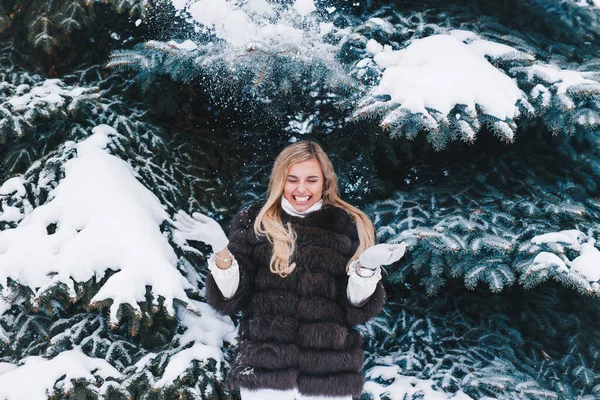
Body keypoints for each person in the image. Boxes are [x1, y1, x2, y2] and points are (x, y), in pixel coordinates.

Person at [174, 140, 406, 400]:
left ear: (325, 182)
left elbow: (355, 306)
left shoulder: (347, 225)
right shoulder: (255, 221)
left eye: (311, 180)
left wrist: (366, 266)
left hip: (327, 379)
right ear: (280, 180)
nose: (302, 189)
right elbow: (231, 295)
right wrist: (221, 249)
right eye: (292, 179)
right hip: (265, 374)